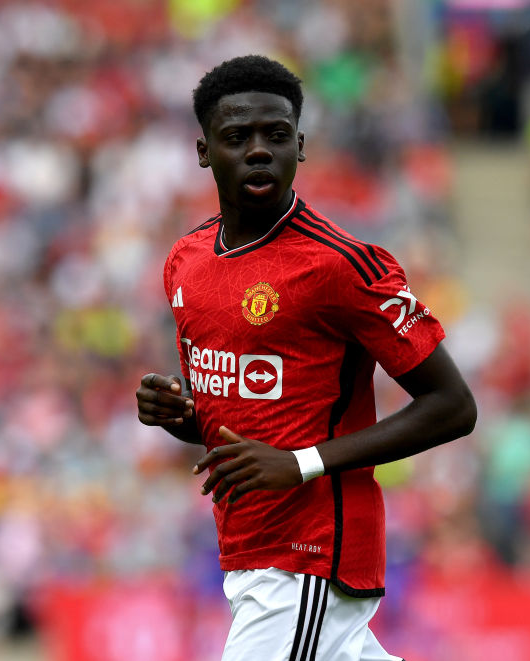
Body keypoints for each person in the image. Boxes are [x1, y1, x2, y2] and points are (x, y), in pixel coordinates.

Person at [136, 54, 477, 661]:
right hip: (247, 546)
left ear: (300, 145)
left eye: (275, 135)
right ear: (204, 151)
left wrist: (301, 464)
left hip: (310, 553)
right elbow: (245, 420)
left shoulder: (343, 265)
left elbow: (453, 406)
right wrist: (182, 415)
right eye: (237, 137)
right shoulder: (186, 262)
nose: (258, 151)